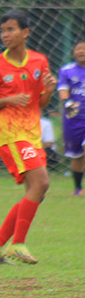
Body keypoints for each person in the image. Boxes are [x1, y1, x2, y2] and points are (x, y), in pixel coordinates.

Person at [0, 9, 56, 265]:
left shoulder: (39, 61)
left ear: (25, 32)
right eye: (2, 30)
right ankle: (17, 244)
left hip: (32, 133)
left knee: (36, 191)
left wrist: (50, 91)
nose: (5, 35)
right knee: (41, 182)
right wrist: (9, 99)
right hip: (10, 134)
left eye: (10, 29)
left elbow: (41, 103)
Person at [57, 41, 85, 195]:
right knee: (77, 156)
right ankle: (78, 188)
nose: (82, 51)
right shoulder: (66, 70)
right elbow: (63, 90)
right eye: (79, 48)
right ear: (74, 52)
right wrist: (67, 103)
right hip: (73, 119)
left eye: (84, 49)